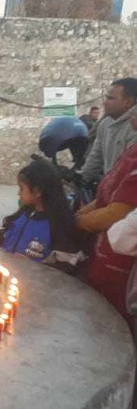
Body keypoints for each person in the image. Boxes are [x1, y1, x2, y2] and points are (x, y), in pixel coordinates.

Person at [78, 109, 137, 324]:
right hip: (105, 247)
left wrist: (78, 222)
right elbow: (106, 195)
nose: (132, 116)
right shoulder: (131, 150)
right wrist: (80, 214)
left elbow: (117, 214)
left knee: (114, 321)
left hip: (120, 256)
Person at [0, 159, 79, 264]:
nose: (18, 193)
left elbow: (65, 264)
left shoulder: (57, 225)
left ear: (38, 192)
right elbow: (6, 236)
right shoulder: (25, 214)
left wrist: (34, 266)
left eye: (22, 189)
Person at [81, 78, 137, 183]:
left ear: (128, 102)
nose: (104, 102)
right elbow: (95, 157)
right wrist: (81, 178)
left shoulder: (133, 126)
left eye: (110, 98)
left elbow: (129, 166)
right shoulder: (105, 124)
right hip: (111, 188)